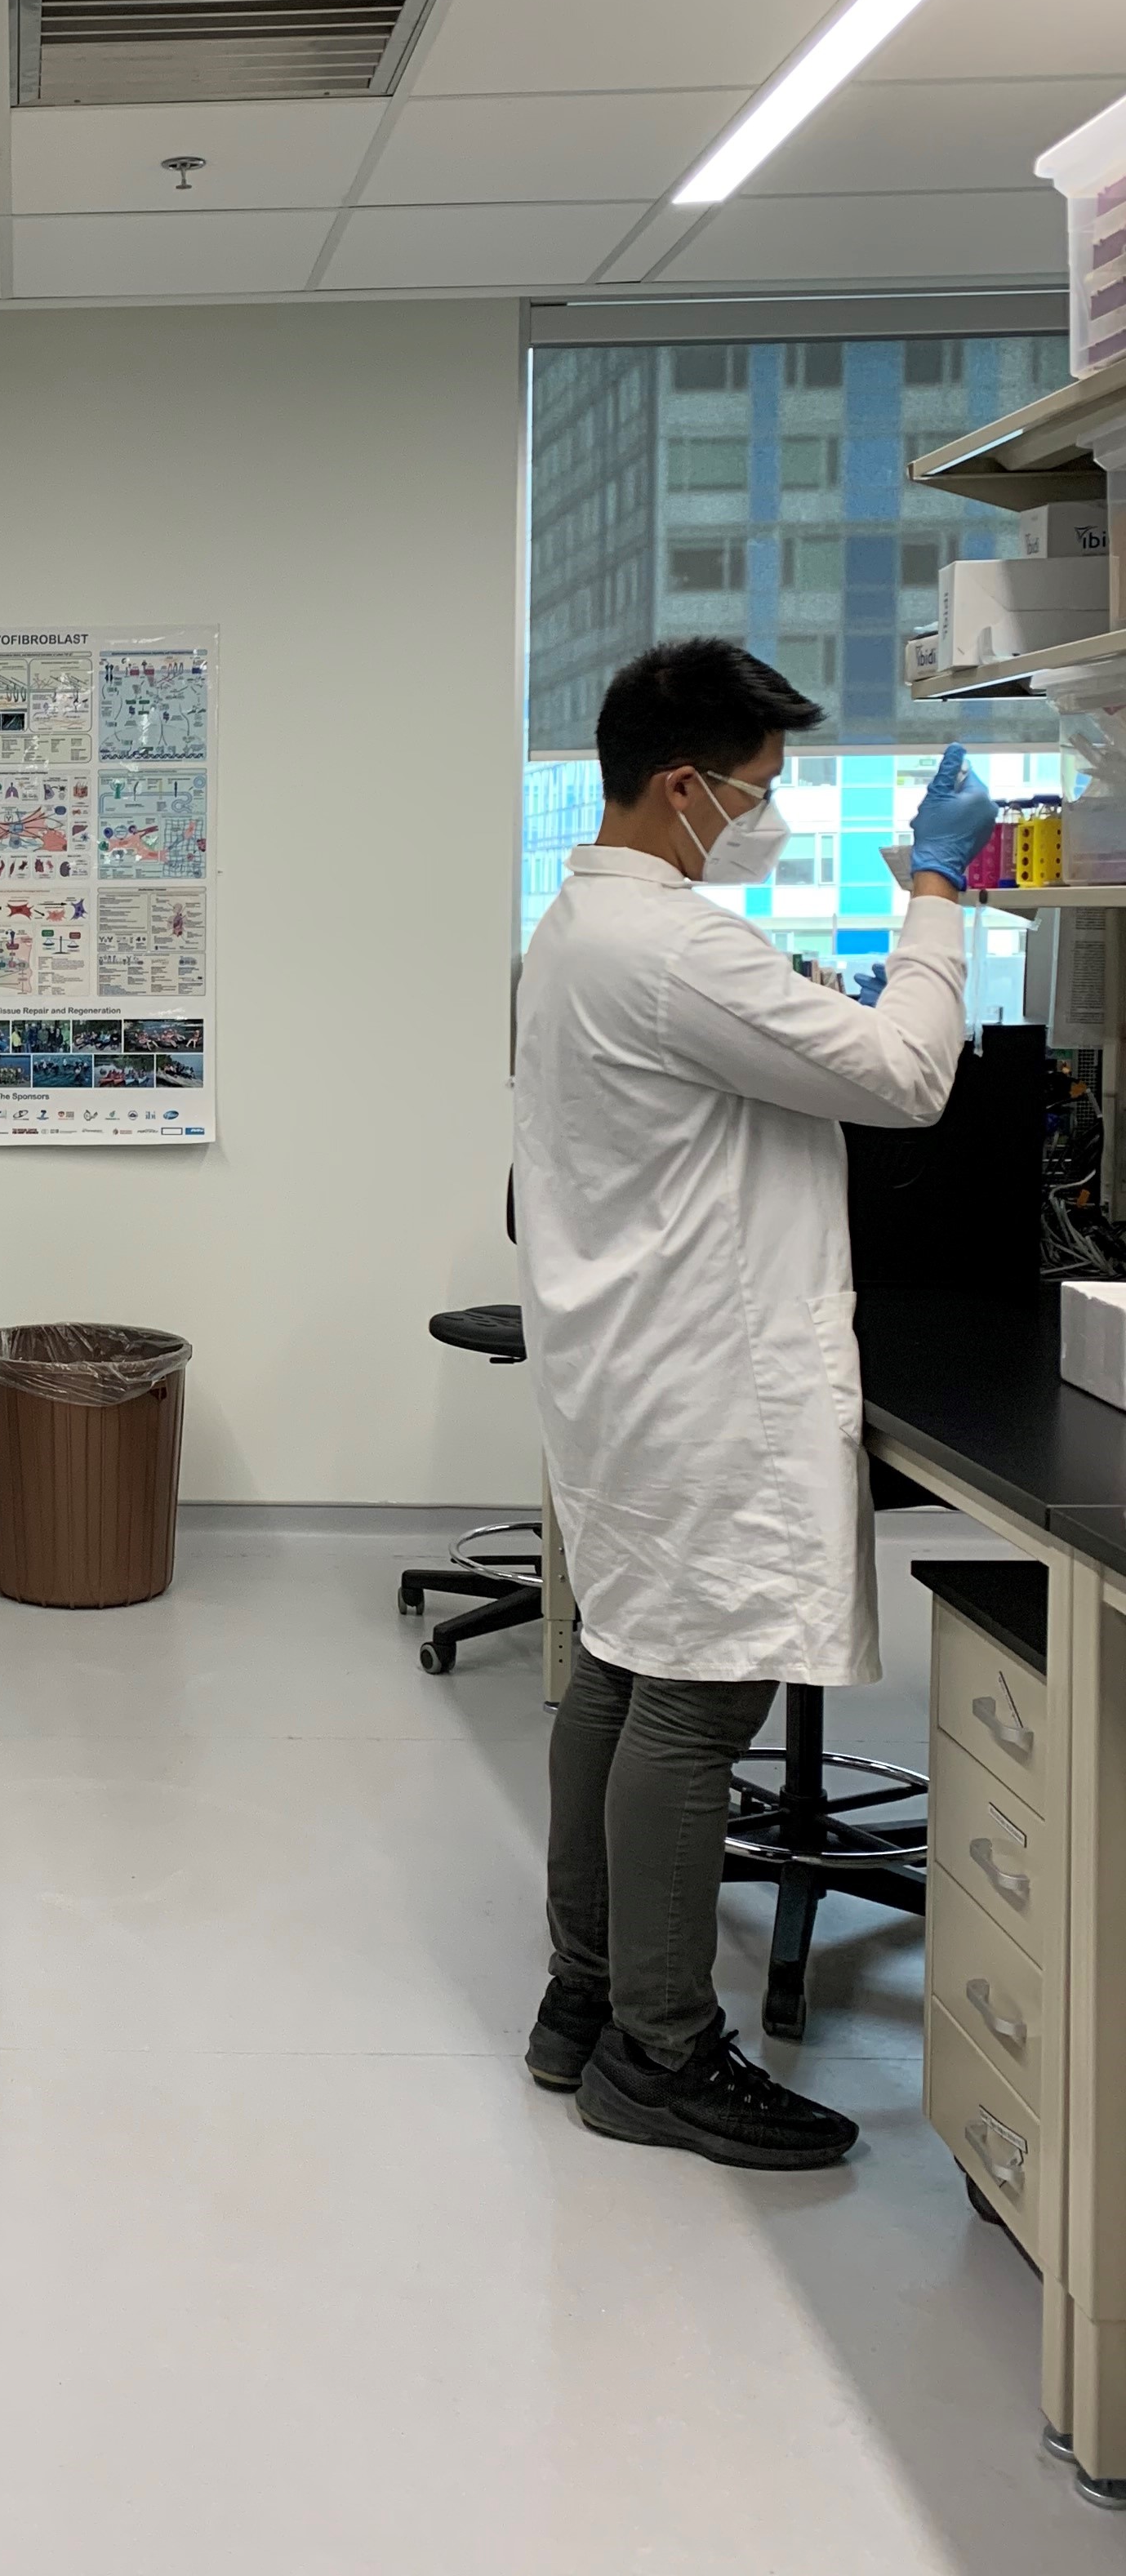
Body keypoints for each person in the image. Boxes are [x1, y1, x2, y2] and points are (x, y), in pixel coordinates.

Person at [512, 640, 995, 2172]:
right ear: (684, 785)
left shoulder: (578, 927)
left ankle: (582, 2001)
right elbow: (912, 1075)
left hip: (623, 1375)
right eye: (762, 788)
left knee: (613, 1675)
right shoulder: (672, 947)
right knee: (694, 1702)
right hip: (701, 1382)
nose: (769, 814)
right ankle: (662, 2055)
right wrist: (942, 897)